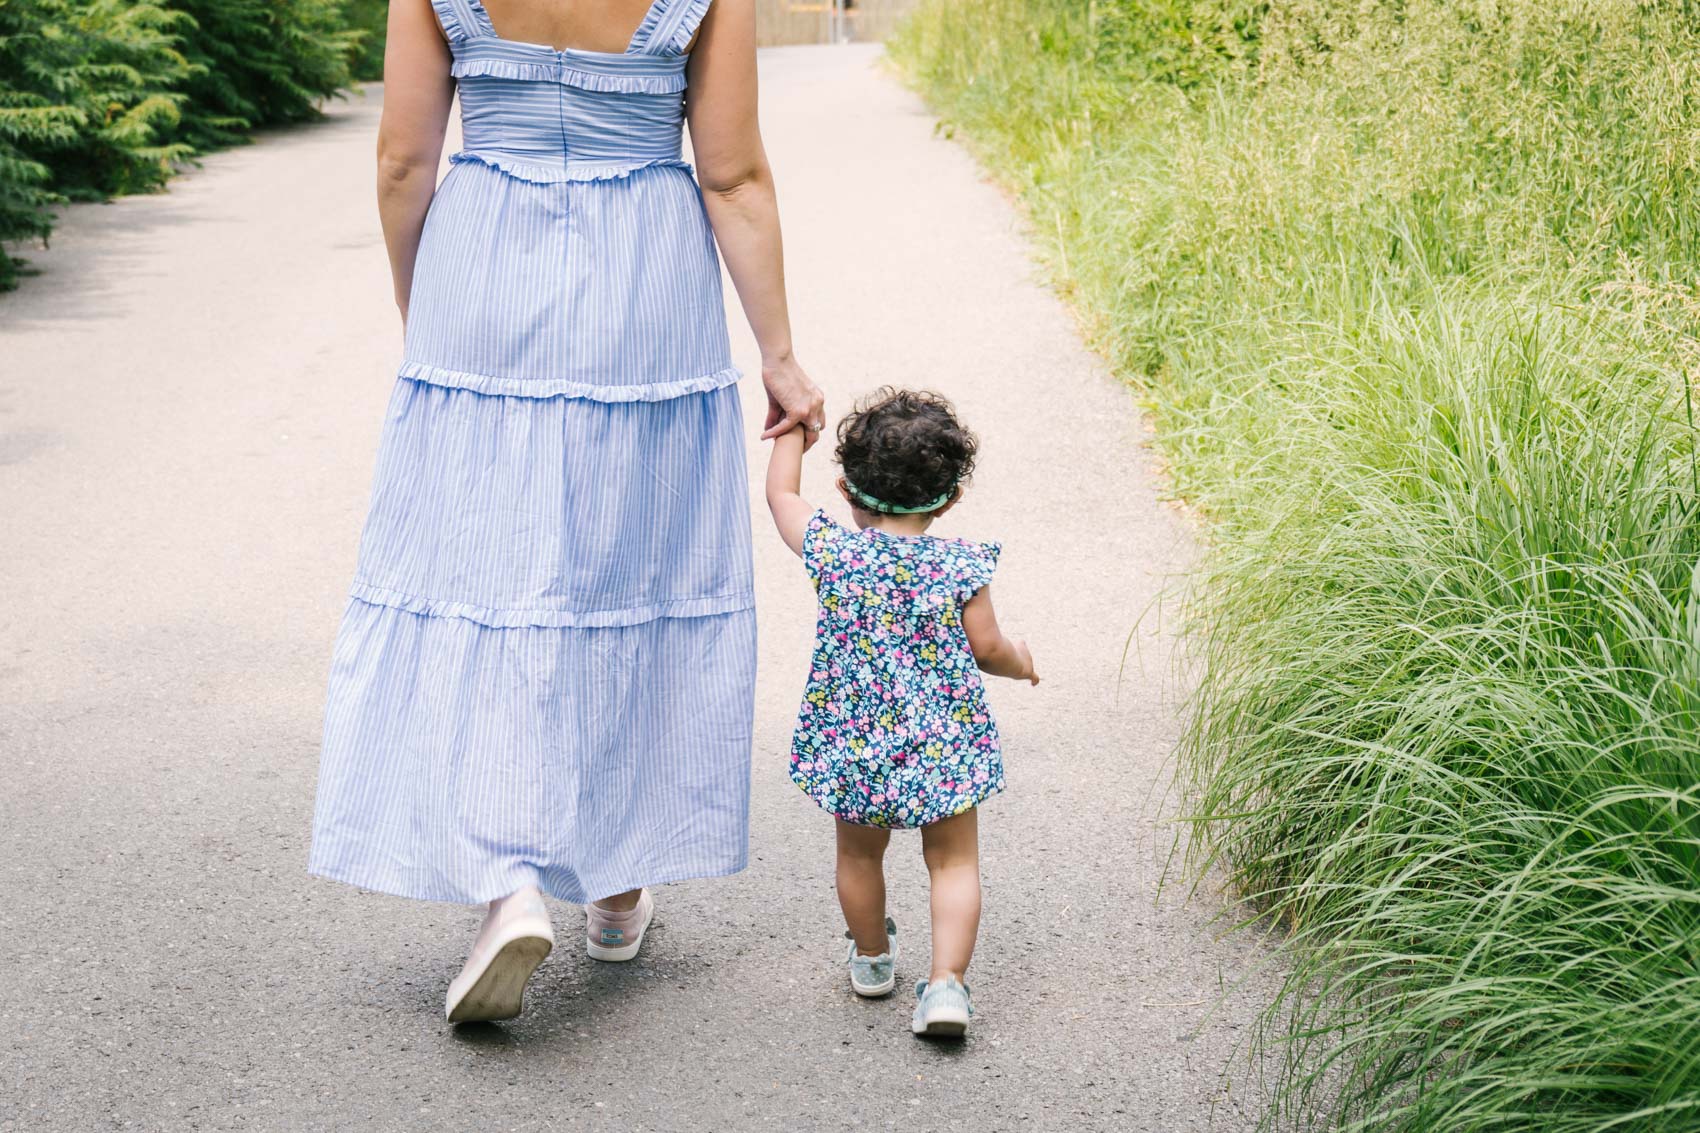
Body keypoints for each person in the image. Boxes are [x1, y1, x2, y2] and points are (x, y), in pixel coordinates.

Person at [308, 0, 824, 1025]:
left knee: (485, 565)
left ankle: (504, 878)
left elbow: (403, 161)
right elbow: (731, 176)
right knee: (622, 560)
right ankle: (616, 881)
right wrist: (777, 352)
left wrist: (427, 306)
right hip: (642, 276)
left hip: (481, 261)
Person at [764, 388, 1039, 1038]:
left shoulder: (837, 552)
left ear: (845, 486)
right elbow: (988, 647)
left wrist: (793, 429)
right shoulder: (958, 565)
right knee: (953, 864)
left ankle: (870, 959)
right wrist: (1021, 659)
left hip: (859, 749)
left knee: (859, 858)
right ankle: (946, 986)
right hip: (943, 746)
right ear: (948, 499)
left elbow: (780, 497)